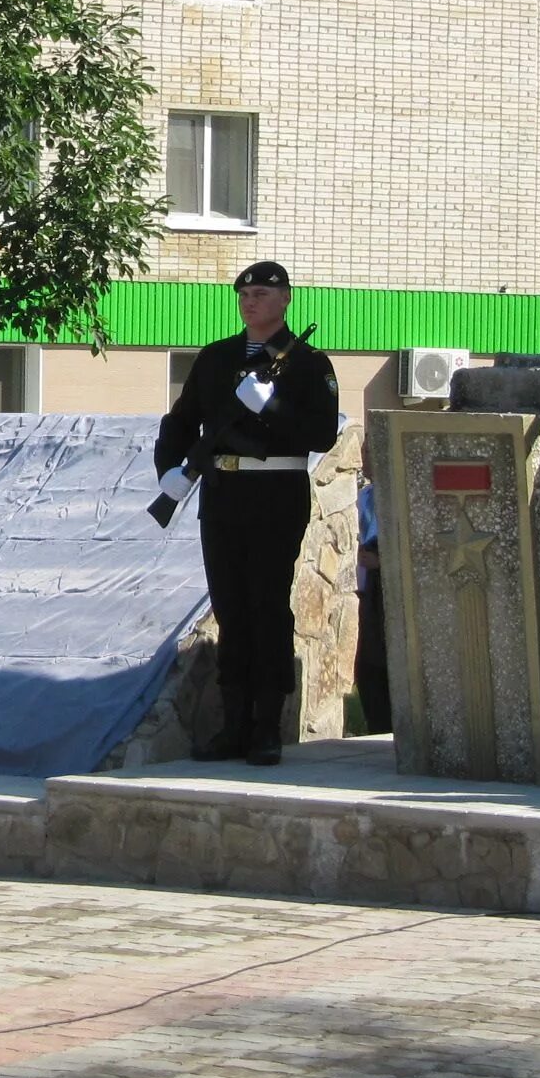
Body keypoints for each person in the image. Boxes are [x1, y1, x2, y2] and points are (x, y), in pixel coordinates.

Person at [153, 261, 343, 767]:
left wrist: (270, 409)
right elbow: (180, 421)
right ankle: (233, 724)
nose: (251, 301)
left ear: (285, 300)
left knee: (266, 606)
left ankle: (265, 727)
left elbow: (322, 434)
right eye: (245, 294)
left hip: (275, 493)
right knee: (231, 608)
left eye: (261, 293)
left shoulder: (307, 363)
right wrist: (168, 471)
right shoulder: (215, 359)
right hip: (223, 493)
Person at [355, 476, 391, 735]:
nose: (365, 455)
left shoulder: (394, 493)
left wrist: (383, 562)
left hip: (386, 587)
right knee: (369, 669)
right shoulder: (366, 495)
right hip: (369, 590)